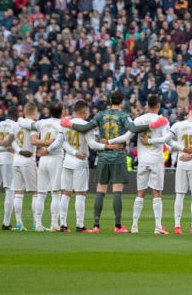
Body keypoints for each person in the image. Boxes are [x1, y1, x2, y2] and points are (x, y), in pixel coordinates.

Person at [62, 91, 164, 233]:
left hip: (103, 156)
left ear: (110, 100)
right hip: (117, 156)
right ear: (121, 101)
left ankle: (96, 225)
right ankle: (117, 226)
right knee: (117, 191)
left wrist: (69, 124)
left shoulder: (100, 115)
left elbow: (85, 128)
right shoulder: (123, 116)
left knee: (100, 190)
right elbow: (133, 129)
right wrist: (152, 125)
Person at [106, 95, 172, 234]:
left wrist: (110, 141)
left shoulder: (139, 119)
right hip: (156, 159)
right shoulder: (163, 120)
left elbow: (126, 137)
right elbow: (166, 139)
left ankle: (135, 226)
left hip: (143, 160)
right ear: (158, 106)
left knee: (140, 192)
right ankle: (158, 227)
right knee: (156, 192)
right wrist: (151, 141)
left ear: (147, 105)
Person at [57, 100, 122, 232]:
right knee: (80, 193)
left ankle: (63, 224)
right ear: (84, 111)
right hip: (80, 162)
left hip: (67, 161)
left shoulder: (65, 123)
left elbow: (62, 143)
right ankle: (80, 225)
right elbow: (92, 145)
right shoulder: (87, 125)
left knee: (66, 193)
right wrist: (108, 146)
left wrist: (73, 152)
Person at [165, 108, 192, 235]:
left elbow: (167, 140)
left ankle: (177, 226)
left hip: (181, 161)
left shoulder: (178, 125)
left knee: (179, 194)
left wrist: (183, 149)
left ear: (188, 115)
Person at [8, 102, 43, 231]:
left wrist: (19, 150)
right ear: (34, 112)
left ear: (24, 111)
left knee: (18, 192)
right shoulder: (33, 126)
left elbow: (10, 141)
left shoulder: (16, 124)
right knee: (36, 192)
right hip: (28, 161)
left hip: (16, 161)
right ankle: (35, 223)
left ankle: (18, 224)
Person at [32, 102, 64, 232]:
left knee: (41, 193)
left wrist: (43, 148)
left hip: (43, 160)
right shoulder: (62, 124)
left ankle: (38, 224)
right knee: (55, 193)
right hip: (55, 158)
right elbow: (58, 142)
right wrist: (48, 149)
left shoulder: (41, 122)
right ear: (61, 111)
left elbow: (31, 133)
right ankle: (54, 224)